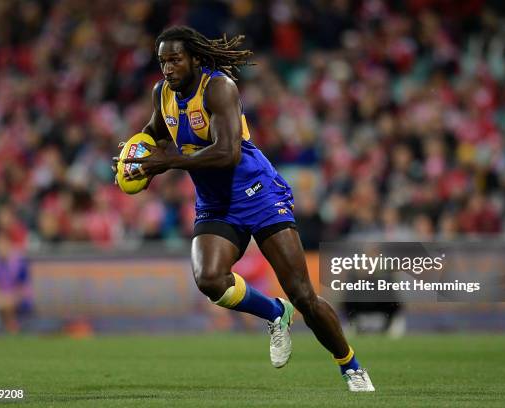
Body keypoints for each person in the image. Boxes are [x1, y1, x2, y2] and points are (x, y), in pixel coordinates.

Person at [117, 26, 374, 392]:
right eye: (162, 61)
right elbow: (155, 133)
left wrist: (170, 162)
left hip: (258, 193)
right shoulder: (163, 94)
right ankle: (274, 313)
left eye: (175, 59)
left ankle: (351, 366)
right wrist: (138, 157)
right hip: (216, 202)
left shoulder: (219, 87)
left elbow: (228, 152)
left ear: (194, 58)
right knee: (209, 279)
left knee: (303, 293)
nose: (168, 68)